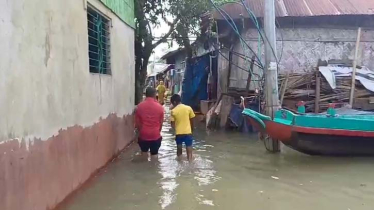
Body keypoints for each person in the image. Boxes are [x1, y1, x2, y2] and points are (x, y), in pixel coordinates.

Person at [135, 87, 164, 158]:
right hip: (155, 135)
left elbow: (137, 123)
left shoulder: (139, 106)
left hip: (143, 135)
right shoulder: (160, 107)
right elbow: (161, 123)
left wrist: (141, 132)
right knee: (155, 157)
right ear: (154, 95)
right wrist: (157, 131)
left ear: (145, 94)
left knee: (144, 155)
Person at [170, 94, 195, 161]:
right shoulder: (188, 108)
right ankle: (190, 163)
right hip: (188, 132)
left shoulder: (173, 111)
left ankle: (179, 164)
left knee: (179, 151)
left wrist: (175, 132)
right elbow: (192, 121)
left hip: (179, 134)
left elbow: (172, 125)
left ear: (174, 102)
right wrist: (192, 130)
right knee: (189, 152)